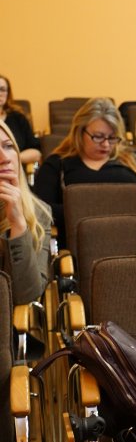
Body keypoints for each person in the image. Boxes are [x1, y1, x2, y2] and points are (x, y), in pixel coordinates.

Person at [32, 98, 136, 235]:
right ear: (80, 133)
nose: (106, 144)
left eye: (112, 138)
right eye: (98, 137)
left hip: (132, 236)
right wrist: (93, 210)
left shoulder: (133, 160)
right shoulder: (57, 164)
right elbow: (41, 209)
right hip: (79, 239)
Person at [0, 121, 51, 304]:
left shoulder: (38, 212)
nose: (4, 158)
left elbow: (27, 297)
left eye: (8, 146)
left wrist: (18, 225)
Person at [0, 75, 38, 165]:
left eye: (2, 89)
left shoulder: (18, 118)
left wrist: (11, 158)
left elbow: (36, 153)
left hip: (14, 168)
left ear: (8, 94)